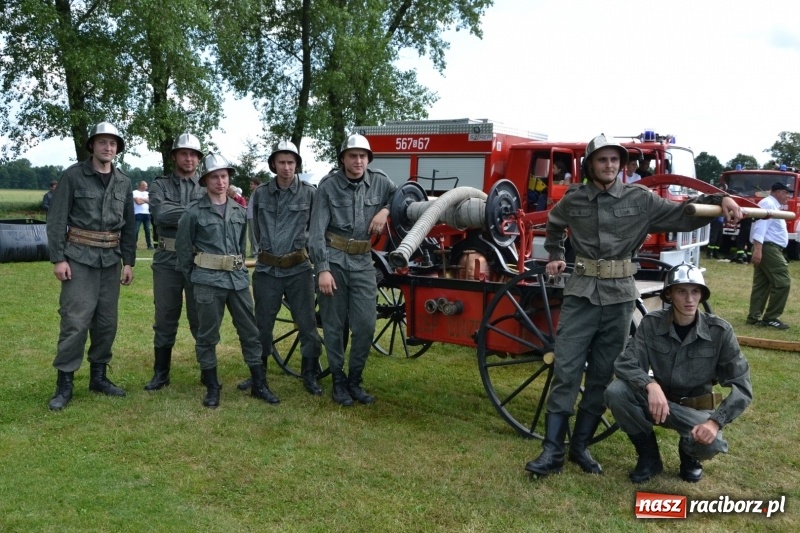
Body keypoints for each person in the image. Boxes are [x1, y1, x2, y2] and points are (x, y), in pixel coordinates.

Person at [523, 133, 743, 478]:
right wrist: (553, 253)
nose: (609, 166)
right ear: (589, 166)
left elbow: (682, 215)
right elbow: (554, 223)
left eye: (614, 160)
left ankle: (580, 446)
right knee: (565, 370)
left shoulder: (640, 199)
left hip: (620, 298)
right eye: (602, 160)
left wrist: (721, 198)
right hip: (581, 294)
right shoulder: (574, 198)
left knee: (601, 374)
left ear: (621, 165)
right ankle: (551, 451)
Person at [604, 263, 753, 483]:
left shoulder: (720, 332)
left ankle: (689, 454)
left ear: (701, 295)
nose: (689, 299)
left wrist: (715, 422)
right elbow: (626, 363)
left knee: (712, 443)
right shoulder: (651, 324)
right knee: (616, 391)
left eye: (695, 291)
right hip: (658, 403)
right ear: (669, 295)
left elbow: (742, 387)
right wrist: (650, 385)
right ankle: (649, 456)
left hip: (695, 409)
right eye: (681, 291)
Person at [45, 121, 136, 411]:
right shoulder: (73, 176)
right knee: (75, 321)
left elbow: (130, 226)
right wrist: (59, 258)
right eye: (102, 142)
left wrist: (129, 261)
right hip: (79, 258)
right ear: (92, 146)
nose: (107, 148)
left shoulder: (124, 181)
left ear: (117, 149)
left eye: (112, 143)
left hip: (110, 260)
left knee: (107, 323)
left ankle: (98, 376)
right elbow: (57, 219)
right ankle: (65, 383)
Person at [176, 153, 279, 407]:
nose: (220, 182)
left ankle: (259, 383)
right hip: (207, 282)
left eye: (224, 176)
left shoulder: (239, 210)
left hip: (237, 281)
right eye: (215, 177)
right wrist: (195, 279)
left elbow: (242, 246)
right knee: (207, 335)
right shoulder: (193, 213)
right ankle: (212, 386)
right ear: (205, 181)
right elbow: (183, 252)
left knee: (250, 332)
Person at [308, 133, 396, 406]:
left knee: (366, 326)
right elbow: (316, 232)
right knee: (334, 326)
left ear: (368, 159)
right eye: (352, 156)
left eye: (363, 156)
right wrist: (322, 269)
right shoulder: (328, 186)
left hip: (362, 263)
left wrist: (386, 210)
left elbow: (403, 196)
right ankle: (338, 381)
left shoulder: (381, 182)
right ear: (343, 159)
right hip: (333, 261)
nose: (358, 161)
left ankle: (355, 381)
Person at [239, 141, 323, 396]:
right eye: (281, 162)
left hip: (299, 269)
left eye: (291, 162)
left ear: (297, 164)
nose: (286, 167)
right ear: (273, 164)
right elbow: (253, 226)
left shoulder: (310, 193)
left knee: (307, 324)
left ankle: (310, 373)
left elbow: (317, 228)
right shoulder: (260, 193)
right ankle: (258, 373)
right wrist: (260, 250)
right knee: (262, 325)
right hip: (267, 269)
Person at [143, 133, 206, 391]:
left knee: (200, 317)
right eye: (184, 153)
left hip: (198, 260)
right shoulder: (159, 186)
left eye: (193, 154)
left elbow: (213, 215)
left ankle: (207, 369)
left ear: (199, 159)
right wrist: (198, 211)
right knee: (165, 316)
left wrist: (179, 212)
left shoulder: (206, 186)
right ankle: (161, 373)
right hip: (167, 260)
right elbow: (160, 213)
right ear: (174, 157)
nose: (189, 158)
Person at [745, 181, 793, 329]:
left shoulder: (770, 204)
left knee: (762, 284)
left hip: (768, 247)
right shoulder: (768, 204)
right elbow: (760, 226)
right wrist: (758, 249)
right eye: (786, 193)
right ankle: (771, 318)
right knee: (783, 282)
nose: (788, 197)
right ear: (778, 192)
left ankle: (754, 318)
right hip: (768, 248)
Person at [133, 180, 153, 249]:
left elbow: (150, 201)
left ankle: (149, 245)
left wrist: (142, 199)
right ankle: (134, 245)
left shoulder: (147, 193)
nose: (147, 187)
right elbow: (137, 202)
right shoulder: (134, 192)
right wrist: (145, 200)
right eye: (146, 186)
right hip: (137, 214)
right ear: (142, 185)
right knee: (136, 230)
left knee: (148, 230)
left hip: (146, 214)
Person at [246, 177, 261, 257]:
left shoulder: (258, 192)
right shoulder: (253, 193)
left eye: (251, 184)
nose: (250, 185)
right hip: (250, 216)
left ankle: (256, 252)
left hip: (254, 216)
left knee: (254, 235)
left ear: (256, 184)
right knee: (250, 235)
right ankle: (253, 251)